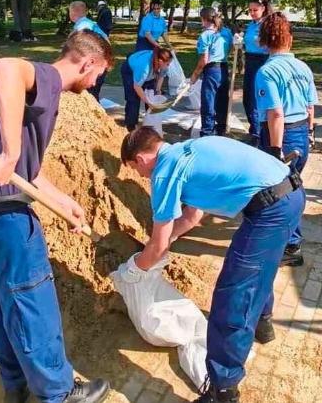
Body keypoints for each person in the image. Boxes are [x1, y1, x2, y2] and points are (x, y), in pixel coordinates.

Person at [0, 30, 113, 403]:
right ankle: (58, 393)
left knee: (1, 301)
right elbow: (8, 66)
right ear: (87, 62)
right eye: (98, 74)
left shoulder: (36, 96)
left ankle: (16, 385)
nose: (95, 83)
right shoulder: (46, 79)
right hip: (5, 217)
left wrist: (64, 201)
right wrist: (10, 152)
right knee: (32, 302)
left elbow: (28, 171)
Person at [121, 127, 305, 403]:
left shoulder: (163, 171)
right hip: (291, 194)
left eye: (135, 170)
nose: (141, 176)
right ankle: (262, 324)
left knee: (233, 295)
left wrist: (136, 268)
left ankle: (223, 390)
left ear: (140, 159)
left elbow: (157, 246)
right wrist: (165, 240)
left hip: (271, 210)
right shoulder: (191, 149)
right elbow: (191, 217)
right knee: (258, 270)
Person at [254, 12, 317, 268]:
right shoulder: (303, 67)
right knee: (293, 186)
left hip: (281, 134)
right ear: (289, 38)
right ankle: (290, 241)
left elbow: (276, 113)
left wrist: (275, 149)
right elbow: (311, 106)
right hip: (301, 132)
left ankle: (288, 244)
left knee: (279, 192)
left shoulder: (267, 71)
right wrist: (311, 134)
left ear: (264, 39)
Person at [189, 7, 231, 137]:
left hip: (212, 70)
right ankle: (221, 129)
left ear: (203, 19)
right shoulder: (226, 32)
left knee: (208, 101)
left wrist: (195, 74)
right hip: (224, 68)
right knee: (222, 100)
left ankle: (207, 132)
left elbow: (203, 60)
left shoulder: (205, 35)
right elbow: (229, 49)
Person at [242, 0, 273, 147]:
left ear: (263, 8)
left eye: (255, 10)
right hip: (249, 60)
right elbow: (248, 41)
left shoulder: (267, 25)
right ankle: (254, 129)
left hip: (262, 61)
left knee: (257, 99)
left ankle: (259, 134)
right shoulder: (252, 25)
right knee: (247, 98)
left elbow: (271, 45)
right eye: (250, 10)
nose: (252, 13)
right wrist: (240, 41)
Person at [121, 47, 173, 131]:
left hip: (148, 70)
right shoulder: (144, 67)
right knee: (133, 99)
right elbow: (137, 86)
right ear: (160, 61)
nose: (168, 66)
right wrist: (147, 101)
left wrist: (158, 89)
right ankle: (131, 126)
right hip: (130, 70)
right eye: (167, 64)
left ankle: (150, 124)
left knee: (152, 95)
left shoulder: (162, 64)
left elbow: (161, 76)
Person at [69, 1, 109, 101]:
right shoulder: (91, 24)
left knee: (89, 97)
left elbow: (77, 46)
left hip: (94, 65)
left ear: (73, 13)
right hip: (103, 62)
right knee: (92, 95)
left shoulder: (82, 26)